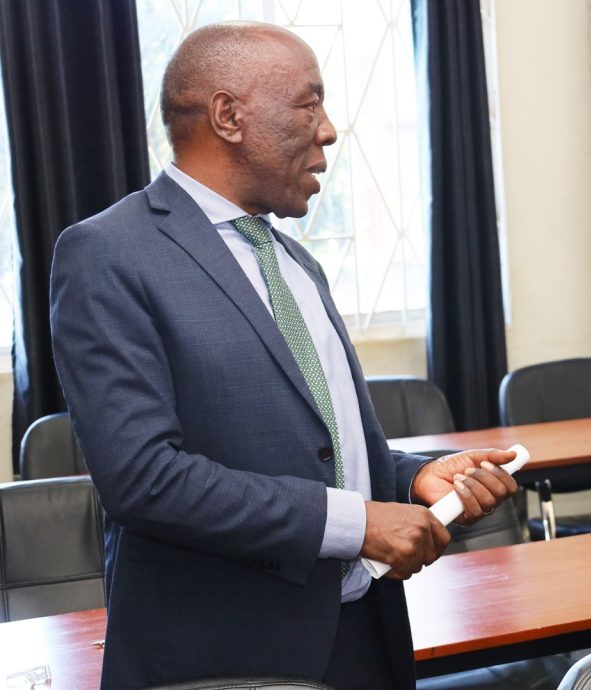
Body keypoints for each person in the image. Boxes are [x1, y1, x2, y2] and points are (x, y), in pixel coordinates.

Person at [49, 21, 517, 690]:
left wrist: (412, 479)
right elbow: (144, 479)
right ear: (229, 116)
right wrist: (356, 523)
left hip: (364, 635)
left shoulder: (295, 262)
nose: (328, 130)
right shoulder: (108, 255)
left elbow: (329, 446)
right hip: (224, 658)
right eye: (309, 103)